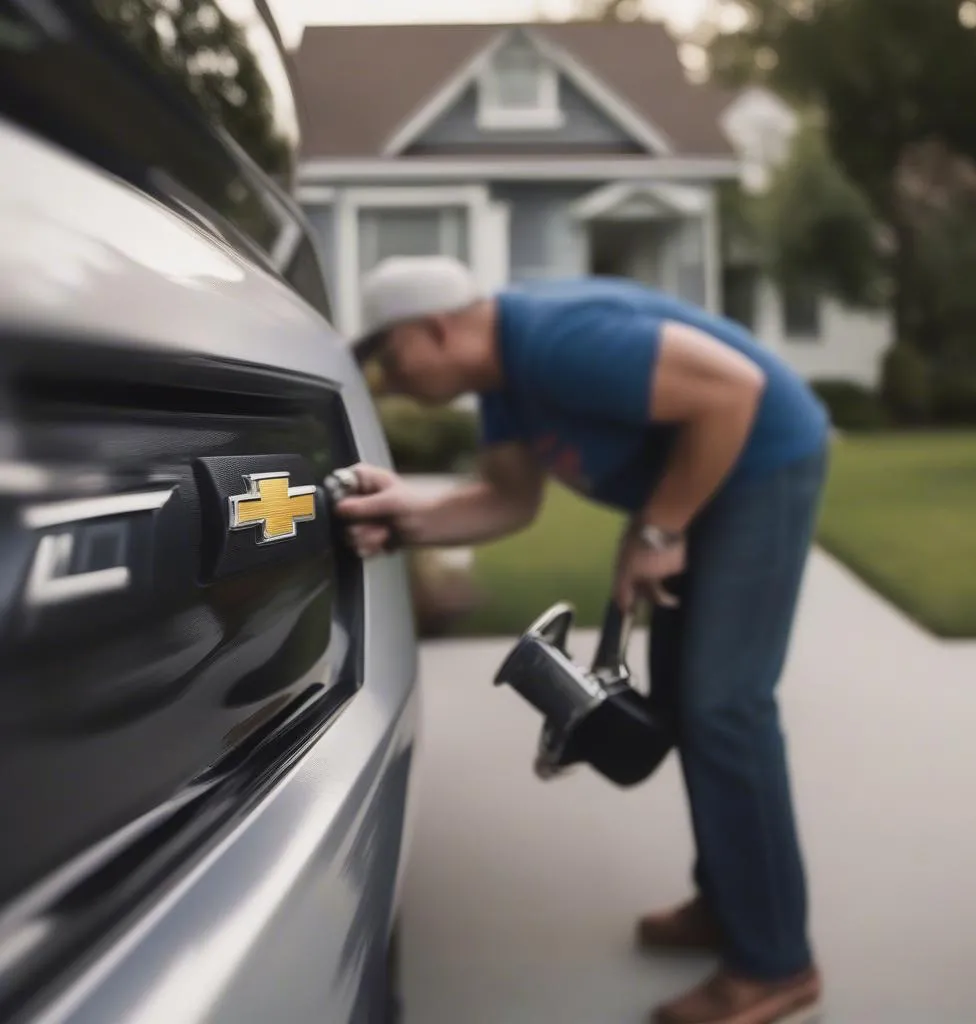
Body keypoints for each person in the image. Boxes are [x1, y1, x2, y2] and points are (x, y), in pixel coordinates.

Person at [335, 255, 829, 1024]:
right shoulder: (503, 387)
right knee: (688, 702)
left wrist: (661, 525)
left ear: (434, 327)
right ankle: (732, 901)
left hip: (760, 468)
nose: (390, 381)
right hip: (703, 488)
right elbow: (507, 499)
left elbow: (734, 392)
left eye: (391, 358)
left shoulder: (557, 340)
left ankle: (776, 964)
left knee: (725, 707)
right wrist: (407, 513)